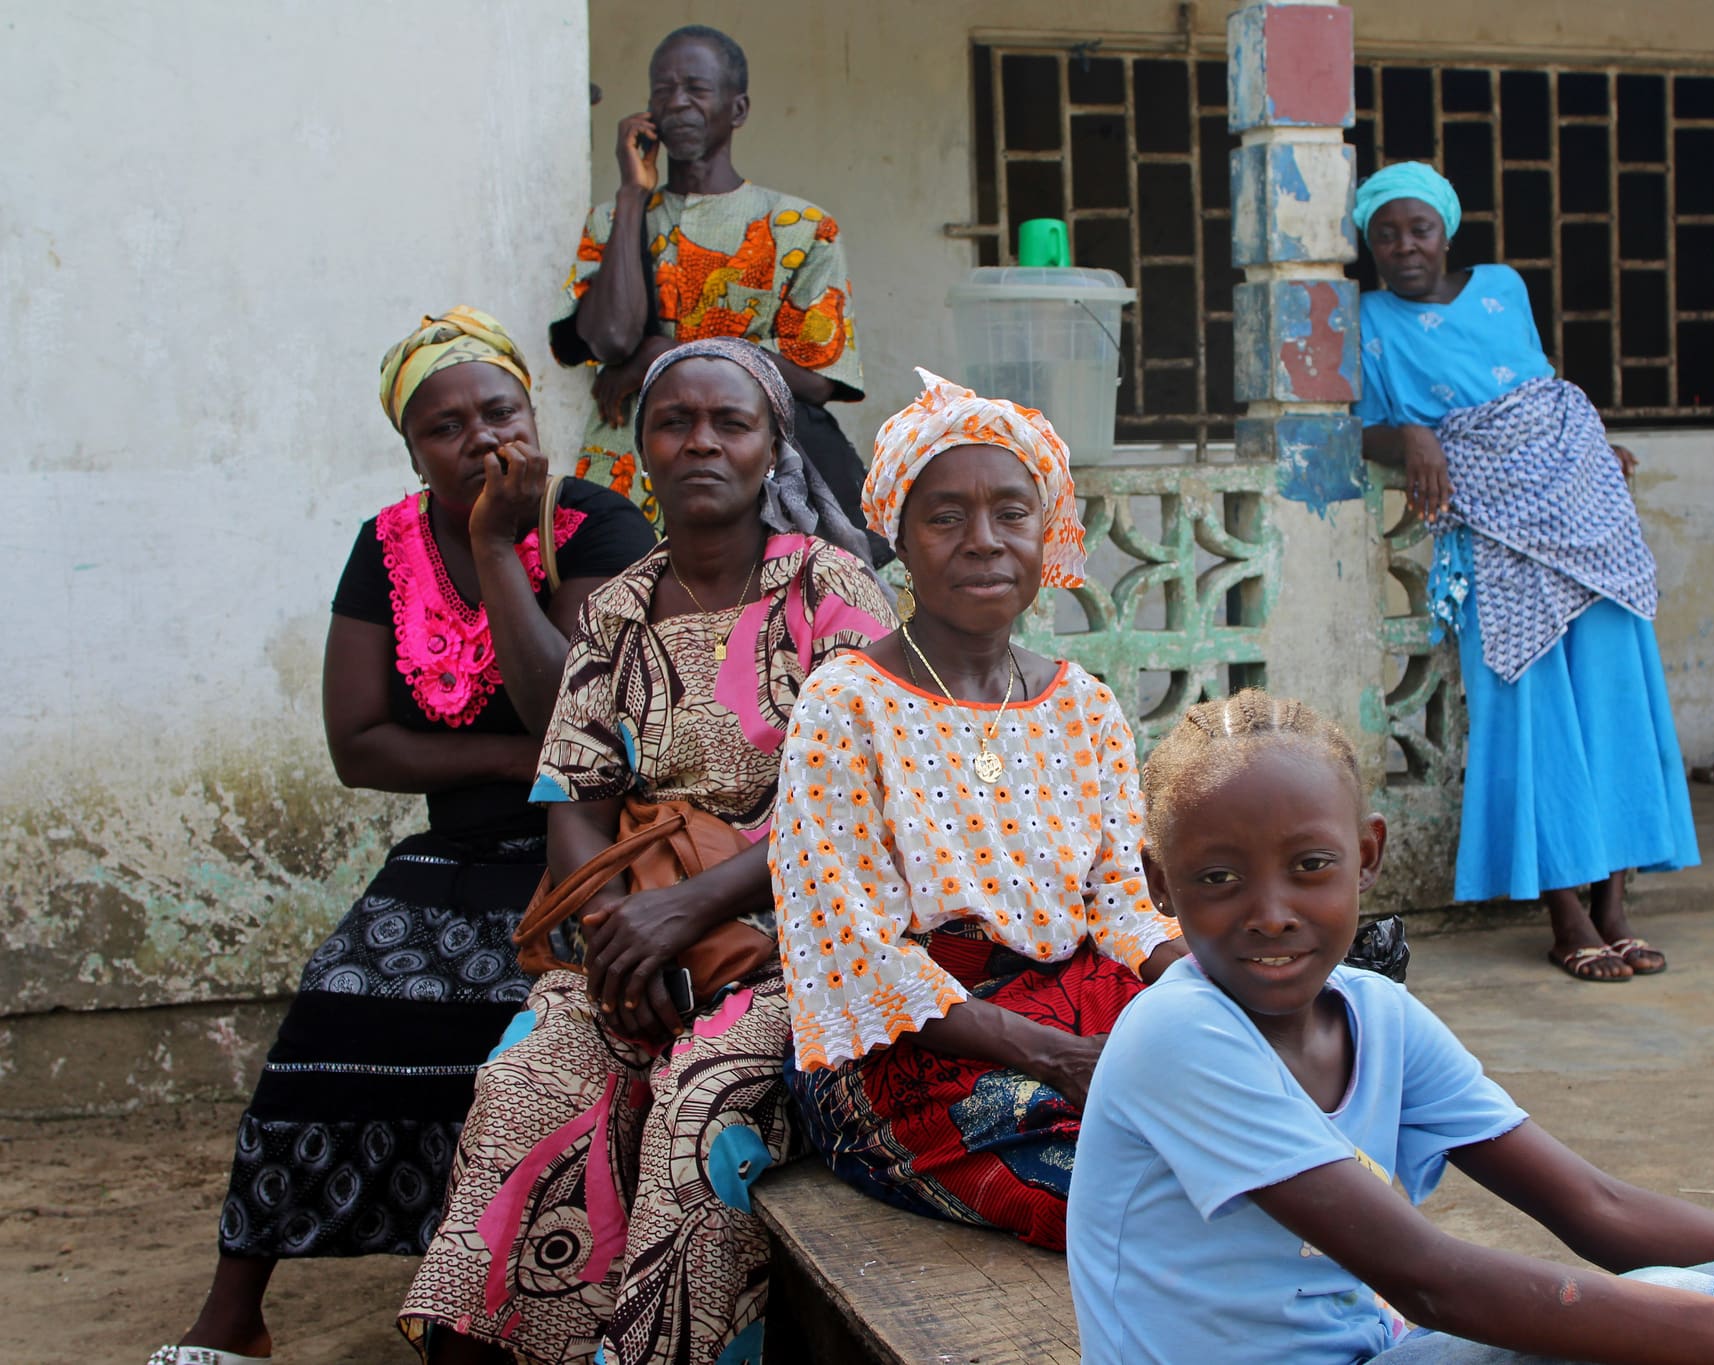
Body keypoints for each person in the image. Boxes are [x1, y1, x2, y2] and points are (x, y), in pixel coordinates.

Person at [1068, 689, 1714, 1365]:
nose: (1272, 913)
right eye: (1219, 877)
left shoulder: (1377, 1015)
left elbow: (1593, 1204)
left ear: (1367, 855)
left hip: (1371, 1351)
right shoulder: (1176, 1031)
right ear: (1160, 886)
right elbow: (1432, 1281)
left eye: (1311, 866)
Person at [151, 309, 656, 1365]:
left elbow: (573, 706)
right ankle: (234, 1315)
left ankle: (483, 1281)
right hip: (455, 853)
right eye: (445, 426)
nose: (479, 440)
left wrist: (494, 547)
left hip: (596, 844)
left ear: (532, 410)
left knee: (512, 1021)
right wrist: (523, 763)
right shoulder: (381, 548)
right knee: (341, 1003)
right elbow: (361, 744)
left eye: (499, 411)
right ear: (411, 446)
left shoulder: (597, 527)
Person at [399, 338, 893, 1365]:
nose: (701, 441)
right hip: (638, 935)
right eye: (675, 423)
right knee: (525, 1079)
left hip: (792, 940)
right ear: (644, 453)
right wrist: (610, 931)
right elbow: (574, 792)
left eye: (730, 423)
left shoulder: (827, 592)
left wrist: (686, 912)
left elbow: (857, 804)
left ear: (772, 447)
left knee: (700, 1105)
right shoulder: (613, 613)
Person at [771, 368, 1187, 1251]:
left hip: (1074, 1005)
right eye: (946, 516)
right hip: (914, 1055)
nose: (983, 541)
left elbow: (1119, 902)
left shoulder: (1084, 702)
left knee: (1288, 1081)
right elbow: (855, 955)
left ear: (1048, 533)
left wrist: (1209, 981)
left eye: (1011, 512)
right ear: (902, 537)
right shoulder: (845, 703)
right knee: (1141, 1201)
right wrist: (1063, 1060)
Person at [1352, 161, 1698, 982]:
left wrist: (1583, 449)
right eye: (1387, 234)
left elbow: (1538, 390)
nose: (1406, 247)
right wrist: (1409, 435)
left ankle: (1615, 902)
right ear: (1368, 244)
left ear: (1447, 230)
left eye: (1420, 229)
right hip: (1492, 527)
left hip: (1585, 502)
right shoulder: (1367, 319)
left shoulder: (1503, 284)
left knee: (1615, 703)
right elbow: (1354, 426)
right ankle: (1565, 912)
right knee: (1532, 713)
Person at [554, 22, 875, 557]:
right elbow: (611, 340)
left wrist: (666, 353)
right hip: (626, 470)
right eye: (662, 89)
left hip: (746, 471)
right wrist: (634, 194)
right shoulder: (613, 220)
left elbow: (817, 378)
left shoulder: (800, 226)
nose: (676, 102)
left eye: (696, 89)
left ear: (738, 108)